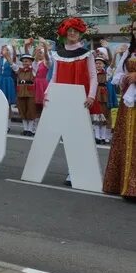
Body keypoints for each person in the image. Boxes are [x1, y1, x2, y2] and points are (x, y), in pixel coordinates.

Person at [49, 17, 97, 186]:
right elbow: (54, 77)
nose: (72, 34)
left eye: (75, 31)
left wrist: (91, 96)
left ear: (79, 33)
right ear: (65, 34)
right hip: (63, 99)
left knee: (81, 136)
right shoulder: (59, 54)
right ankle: (72, 170)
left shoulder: (87, 53)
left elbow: (93, 77)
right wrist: (48, 94)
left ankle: (80, 170)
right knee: (68, 137)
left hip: (81, 100)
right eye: (69, 31)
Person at [103, 27, 136, 200]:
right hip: (129, 102)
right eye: (135, 28)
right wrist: (126, 78)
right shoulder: (130, 52)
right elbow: (119, 75)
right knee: (126, 140)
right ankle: (126, 186)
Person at [13, 53, 38, 136]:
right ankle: (25, 129)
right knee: (22, 110)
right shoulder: (19, 70)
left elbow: (36, 62)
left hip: (30, 93)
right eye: (23, 61)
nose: (25, 63)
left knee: (31, 110)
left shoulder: (33, 70)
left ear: (31, 62)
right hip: (20, 93)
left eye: (27, 61)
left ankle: (30, 130)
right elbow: (12, 64)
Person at [0, 45, 17, 133]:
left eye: (6, 50)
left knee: (7, 104)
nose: (4, 51)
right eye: (3, 49)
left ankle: (8, 125)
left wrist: (9, 58)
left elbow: (16, 70)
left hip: (7, 82)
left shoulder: (11, 60)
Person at [94, 48, 112, 144]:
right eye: (96, 63)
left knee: (104, 115)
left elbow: (111, 66)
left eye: (100, 63)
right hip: (96, 94)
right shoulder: (93, 73)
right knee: (97, 116)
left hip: (103, 95)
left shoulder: (106, 73)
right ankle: (97, 136)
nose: (98, 65)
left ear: (104, 65)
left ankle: (103, 136)